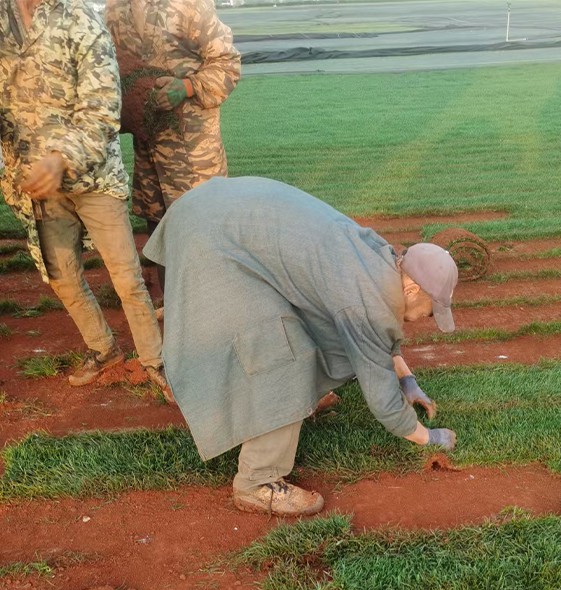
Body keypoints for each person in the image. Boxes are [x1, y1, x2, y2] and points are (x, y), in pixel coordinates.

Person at [143, 176, 460, 517]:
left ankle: (287, 408)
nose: (425, 317)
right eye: (431, 308)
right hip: (212, 241)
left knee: (299, 331)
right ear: (412, 288)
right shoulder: (367, 300)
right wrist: (428, 437)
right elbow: (381, 396)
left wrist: (408, 381)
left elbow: (375, 335)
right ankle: (257, 482)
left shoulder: (379, 257)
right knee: (280, 359)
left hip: (210, 209)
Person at [0, 0, 171, 397]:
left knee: (126, 277)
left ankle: (156, 360)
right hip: (33, 181)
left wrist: (61, 160)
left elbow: (103, 109)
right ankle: (104, 349)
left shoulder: (79, 17)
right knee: (63, 277)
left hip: (92, 176)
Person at [105, 0, 241, 301]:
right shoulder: (114, 10)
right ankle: (177, 308)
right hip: (149, 147)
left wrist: (188, 87)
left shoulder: (189, 5)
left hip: (193, 152)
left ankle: (218, 311)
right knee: (160, 229)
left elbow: (228, 64)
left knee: (204, 229)